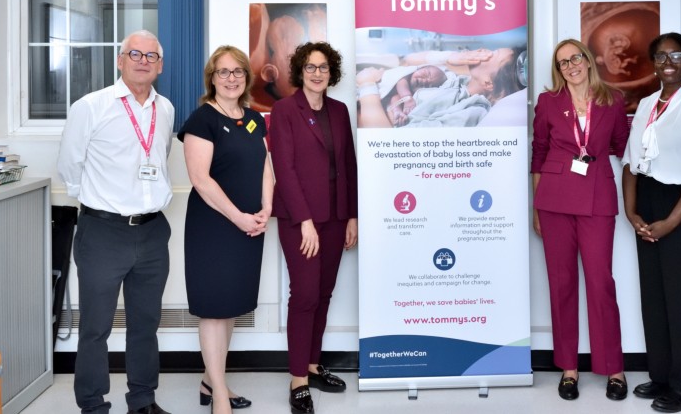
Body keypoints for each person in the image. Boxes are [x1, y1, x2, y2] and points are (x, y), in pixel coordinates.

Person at [57, 30, 174, 414]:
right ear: (120, 60)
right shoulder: (90, 106)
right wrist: (102, 205)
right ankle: (92, 406)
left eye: (151, 56)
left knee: (145, 325)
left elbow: (159, 160)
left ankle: (142, 400)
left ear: (159, 66)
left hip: (152, 232)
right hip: (102, 232)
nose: (143, 60)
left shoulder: (166, 109)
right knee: (95, 329)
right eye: (134, 53)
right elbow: (69, 167)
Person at [621, 33, 681, 413]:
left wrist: (671, 221)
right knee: (656, 295)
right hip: (647, 200)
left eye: (676, 55)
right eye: (661, 56)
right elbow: (631, 164)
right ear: (653, 63)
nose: (668, 62)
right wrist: (632, 214)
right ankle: (662, 374)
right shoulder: (647, 103)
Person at [530, 38, 629, 402]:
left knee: (601, 282)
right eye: (562, 63)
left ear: (587, 61)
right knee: (562, 283)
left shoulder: (613, 101)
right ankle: (569, 368)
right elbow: (538, 151)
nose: (570, 66)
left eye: (575, 59)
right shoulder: (548, 102)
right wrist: (536, 205)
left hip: (598, 198)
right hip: (554, 200)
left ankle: (613, 368)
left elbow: (621, 144)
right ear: (558, 71)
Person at [178, 46, 274, 413]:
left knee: (230, 306)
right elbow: (200, 180)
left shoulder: (254, 118)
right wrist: (238, 217)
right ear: (212, 78)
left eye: (238, 72)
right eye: (223, 72)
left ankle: (210, 380)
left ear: (246, 78)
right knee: (214, 309)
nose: (231, 78)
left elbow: (266, 165)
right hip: (214, 227)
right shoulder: (202, 119)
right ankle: (219, 393)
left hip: (250, 225)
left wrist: (266, 208)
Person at [270, 41, 358, 414]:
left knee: (323, 294)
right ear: (300, 72)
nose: (317, 73)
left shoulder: (339, 111)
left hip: (337, 216)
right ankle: (298, 380)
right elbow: (284, 170)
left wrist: (352, 215)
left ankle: (311, 363)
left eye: (323, 67)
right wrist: (305, 221)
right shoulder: (285, 110)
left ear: (331, 72)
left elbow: (349, 165)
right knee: (304, 295)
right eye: (310, 67)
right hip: (300, 219)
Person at [356, 47, 525, 128]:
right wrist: (450, 57)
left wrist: (367, 85)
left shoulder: (470, 112)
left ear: (489, 83)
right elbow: (408, 60)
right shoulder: (457, 80)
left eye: (492, 55)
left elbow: (383, 139)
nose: (484, 51)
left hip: (365, 114)